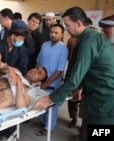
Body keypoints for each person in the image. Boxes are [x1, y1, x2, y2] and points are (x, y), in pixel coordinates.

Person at [33, 6, 114, 141]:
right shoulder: (89, 39)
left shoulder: (89, 42)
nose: (66, 28)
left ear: (79, 24)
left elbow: (74, 79)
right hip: (97, 95)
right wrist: (78, 88)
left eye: (67, 25)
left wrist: (49, 99)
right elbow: (87, 71)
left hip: (105, 100)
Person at [32, 23, 68, 136]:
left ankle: (48, 128)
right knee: (40, 101)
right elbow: (38, 61)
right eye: (51, 32)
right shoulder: (45, 45)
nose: (53, 34)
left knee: (52, 106)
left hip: (52, 83)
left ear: (62, 34)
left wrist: (47, 83)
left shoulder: (63, 49)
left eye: (56, 33)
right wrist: (35, 76)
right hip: (40, 81)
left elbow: (59, 70)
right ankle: (42, 122)